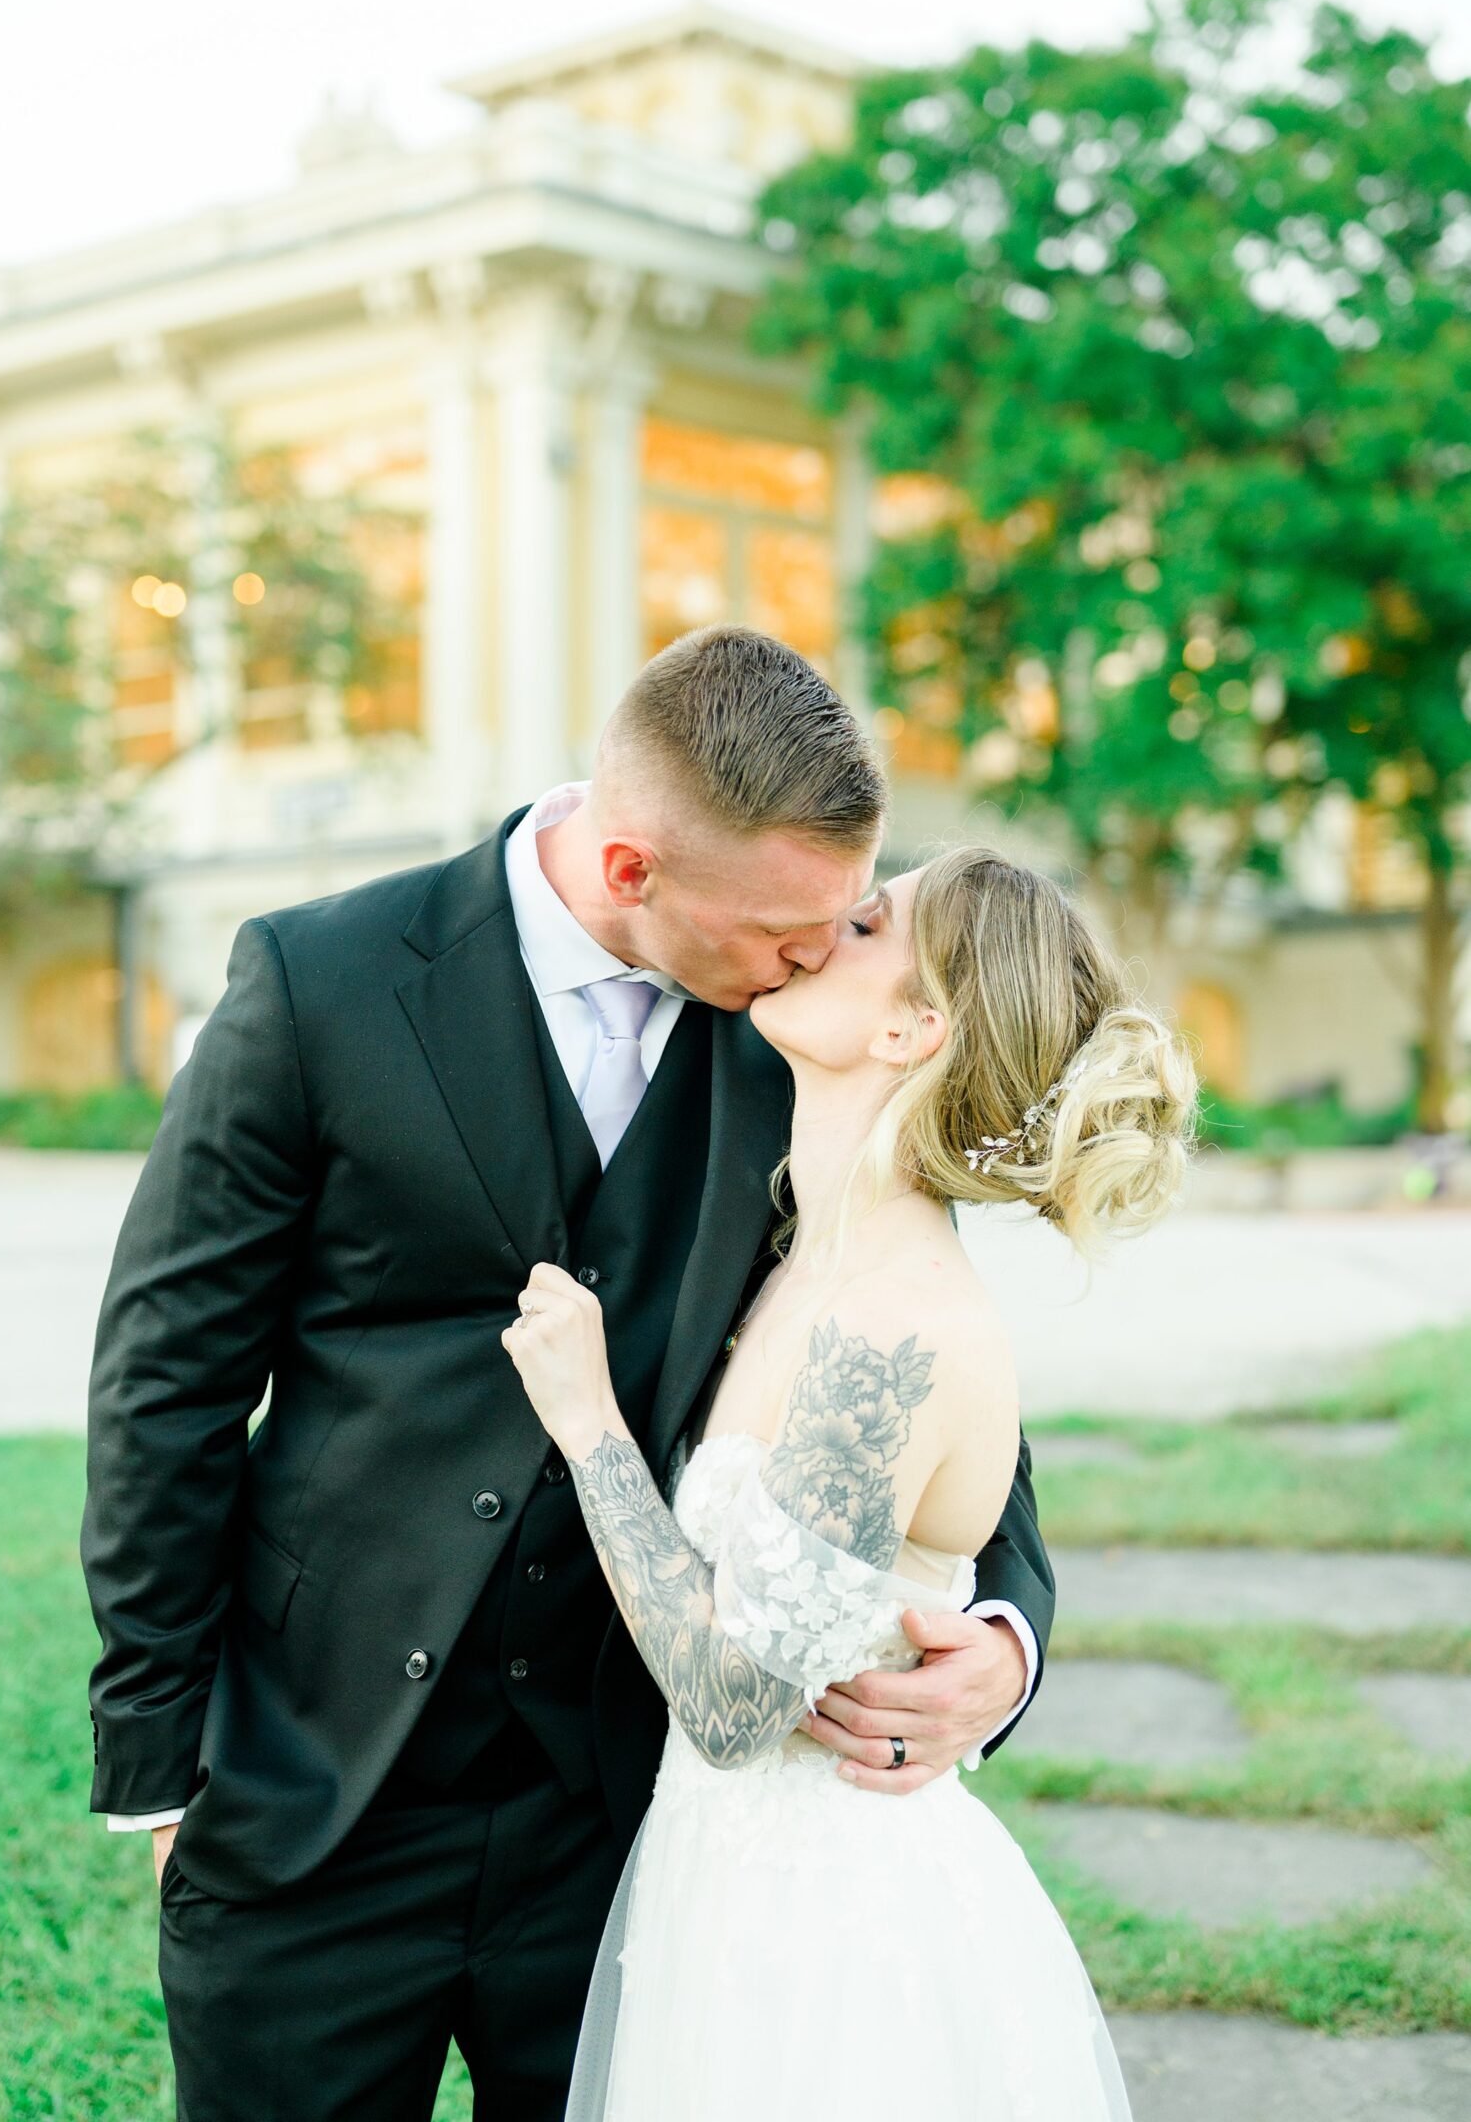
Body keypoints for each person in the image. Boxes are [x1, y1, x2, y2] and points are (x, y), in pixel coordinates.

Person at [81, 627, 1054, 2122]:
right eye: (780, 931)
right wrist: (158, 1759)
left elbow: (918, 1361)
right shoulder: (319, 979)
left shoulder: (806, 1034)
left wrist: (1002, 1628)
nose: (813, 951)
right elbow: (168, 1376)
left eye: (844, 919)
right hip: (318, 1786)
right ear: (627, 873)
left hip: (629, 1809)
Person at [504, 839, 1197, 2120]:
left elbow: (731, 1708)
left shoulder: (894, 1328)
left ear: (911, 1029)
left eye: (866, 924)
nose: (823, 928)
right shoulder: (795, 1253)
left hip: (828, 1938)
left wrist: (588, 1422)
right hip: (710, 1889)